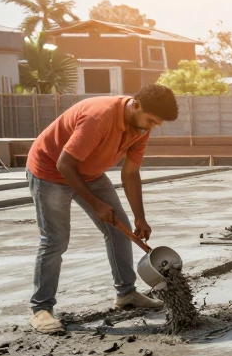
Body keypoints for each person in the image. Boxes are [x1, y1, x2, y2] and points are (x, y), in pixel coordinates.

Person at [25, 84, 180, 333]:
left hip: (89, 172)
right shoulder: (100, 117)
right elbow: (65, 163)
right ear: (136, 104)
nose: (151, 126)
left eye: (156, 124)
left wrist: (141, 217)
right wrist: (96, 204)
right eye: (150, 120)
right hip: (50, 172)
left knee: (120, 229)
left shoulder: (141, 128)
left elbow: (130, 174)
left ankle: (126, 294)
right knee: (55, 240)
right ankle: (41, 309)